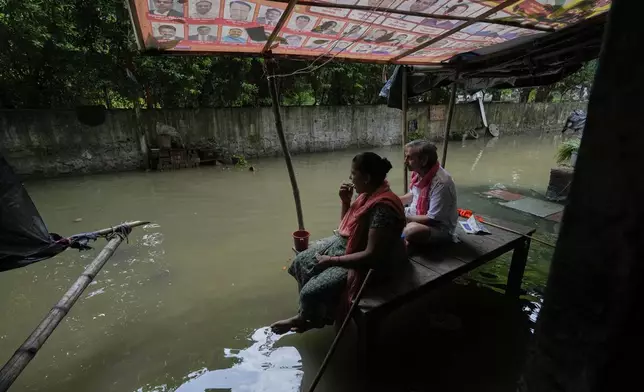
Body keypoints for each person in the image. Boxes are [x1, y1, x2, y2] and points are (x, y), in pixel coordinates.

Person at [271, 152, 406, 334]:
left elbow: (372, 256)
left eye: (353, 173)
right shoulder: (368, 194)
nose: (350, 177)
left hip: (369, 264)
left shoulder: (382, 207)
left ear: (366, 178)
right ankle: (310, 314)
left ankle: (311, 318)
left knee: (310, 292)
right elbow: (347, 228)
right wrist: (345, 202)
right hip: (348, 246)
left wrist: (332, 260)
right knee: (300, 262)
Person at [400, 140, 457, 245]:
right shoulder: (419, 173)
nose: (405, 161)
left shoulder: (442, 183)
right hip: (415, 214)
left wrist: (402, 218)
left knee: (411, 231)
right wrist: (393, 202)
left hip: (438, 227)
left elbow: (432, 219)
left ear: (424, 161)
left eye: (410, 158)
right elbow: (413, 195)